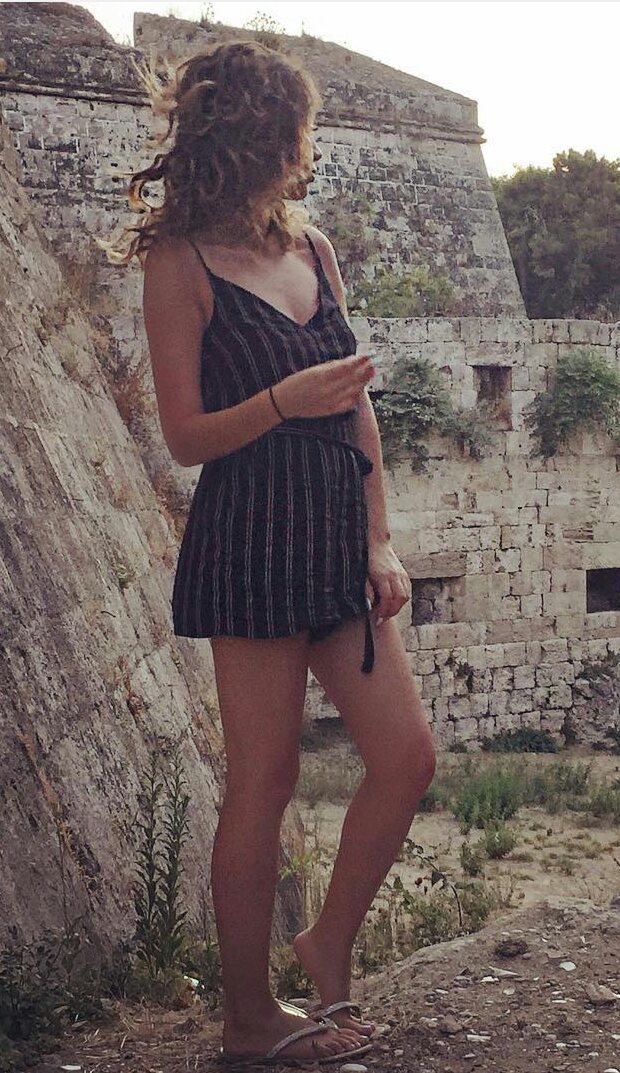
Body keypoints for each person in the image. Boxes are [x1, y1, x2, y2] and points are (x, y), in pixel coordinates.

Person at [104, 38, 437, 1067]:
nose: (308, 152)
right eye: (298, 133)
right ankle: (248, 1018)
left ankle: (327, 938)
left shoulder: (314, 249)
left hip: (336, 535)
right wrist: (282, 400)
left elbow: (357, 405)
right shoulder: (180, 265)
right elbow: (185, 435)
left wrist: (380, 536)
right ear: (256, 138)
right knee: (265, 778)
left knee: (406, 756)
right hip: (249, 539)